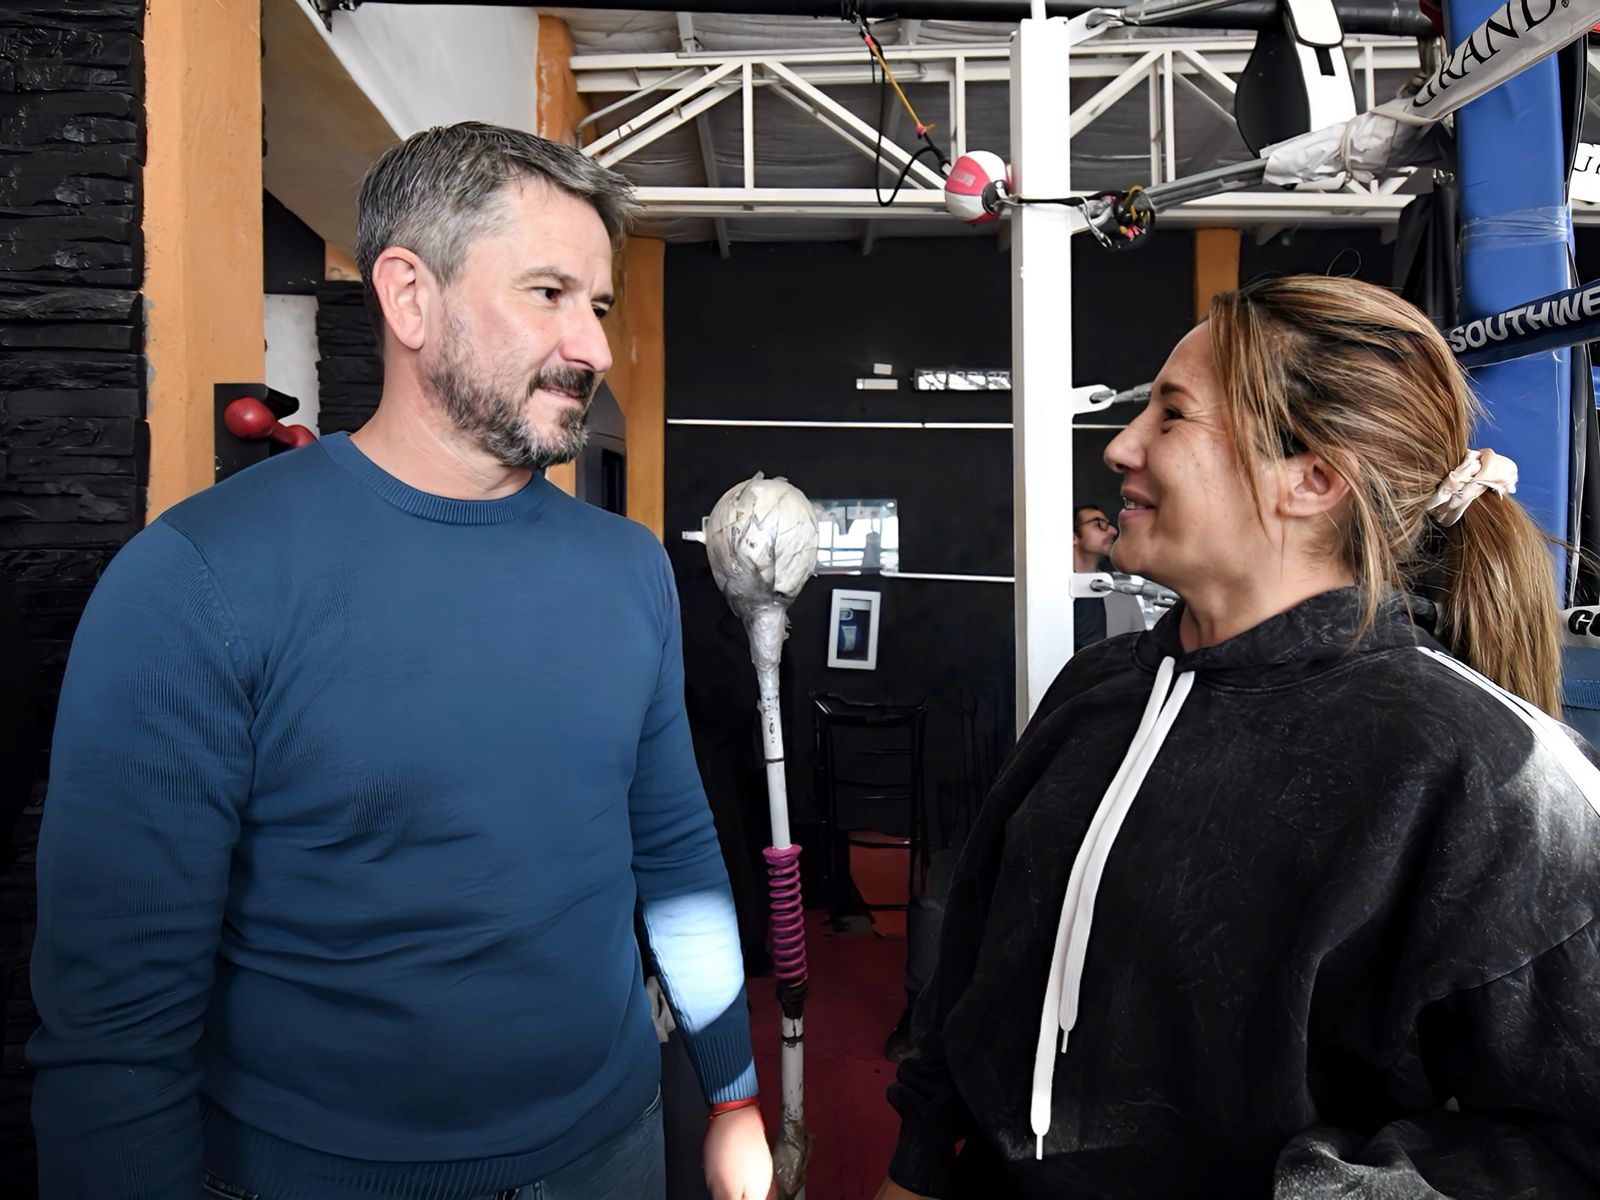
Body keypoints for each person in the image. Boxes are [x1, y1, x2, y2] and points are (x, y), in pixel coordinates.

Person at [29, 123, 772, 1200]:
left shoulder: (630, 569)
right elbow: (115, 1025)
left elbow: (675, 853)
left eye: (599, 305)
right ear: (410, 297)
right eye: (549, 293)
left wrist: (732, 1092)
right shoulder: (196, 580)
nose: (595, 348)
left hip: (613, 1145)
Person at [876, 274, 1600, 1198]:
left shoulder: (1482, 769)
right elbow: (979, 966)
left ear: (1313, 478)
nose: (1121, 445)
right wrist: (919, 1164)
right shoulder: (1098, 689)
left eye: (1172, 415)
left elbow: (1573, 1142)